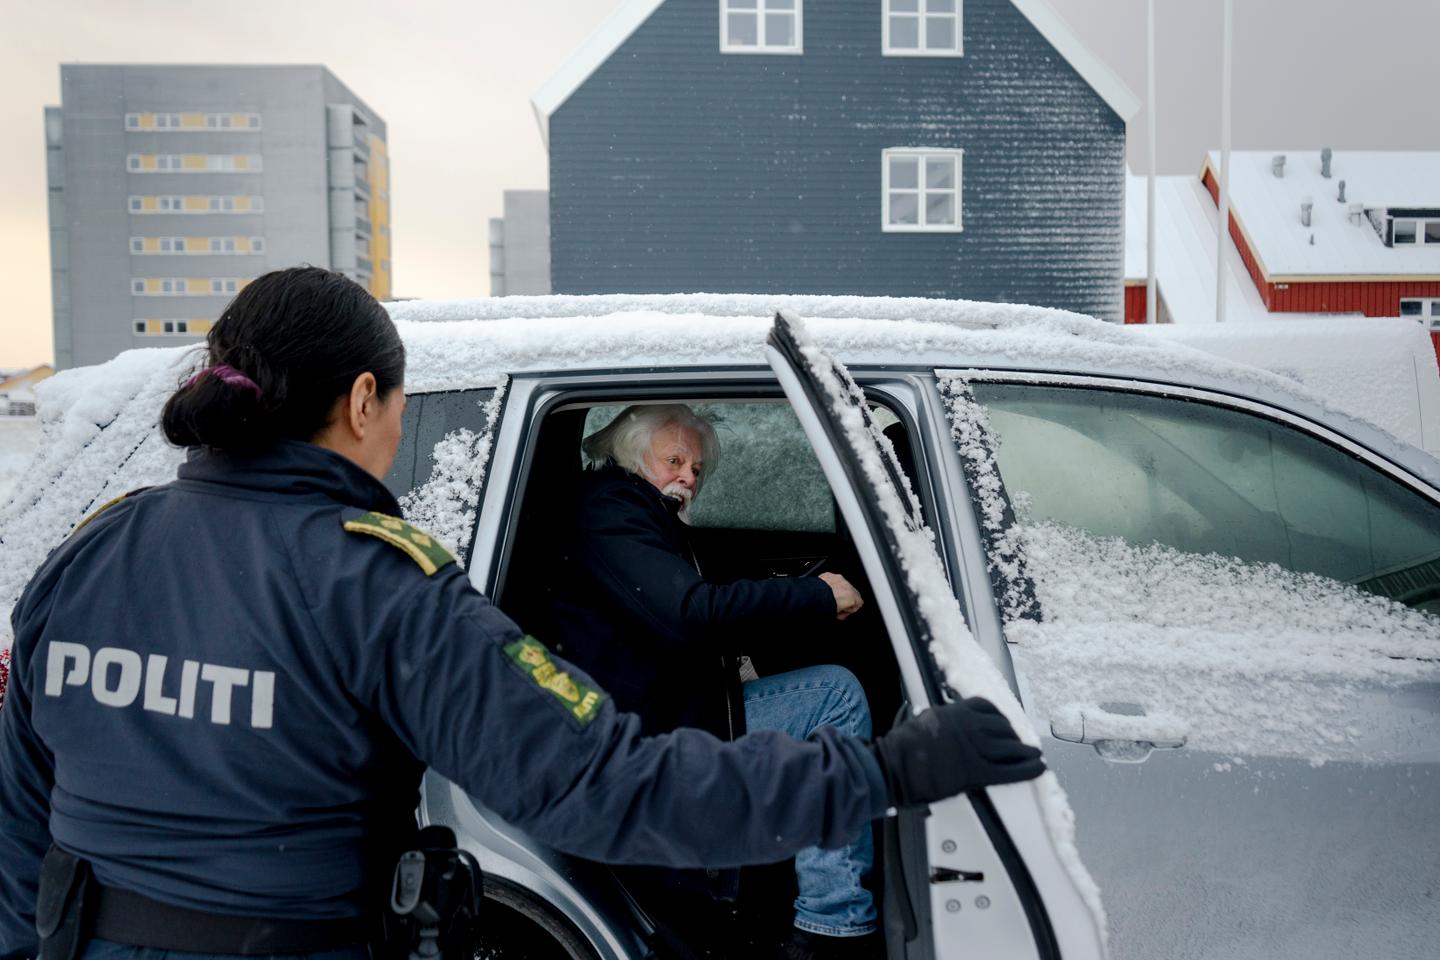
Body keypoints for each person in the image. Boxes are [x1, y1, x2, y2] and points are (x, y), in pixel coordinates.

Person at [0, 267, 1046, 960]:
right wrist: (886, 769)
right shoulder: (378, 589)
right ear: (365, 402)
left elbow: (14, 822)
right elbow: (610, 786)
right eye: (398, 411)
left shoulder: (90, 552)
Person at [543, 405, 878, 959]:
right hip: (648, 727)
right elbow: (687, 610)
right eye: (674, 460)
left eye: (696, 469)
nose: (688, 478)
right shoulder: (613, 508)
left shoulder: (644, 512)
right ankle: (833, 925)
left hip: (668, 706)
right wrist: (815, 594)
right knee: (835, 695)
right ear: (632, 454)